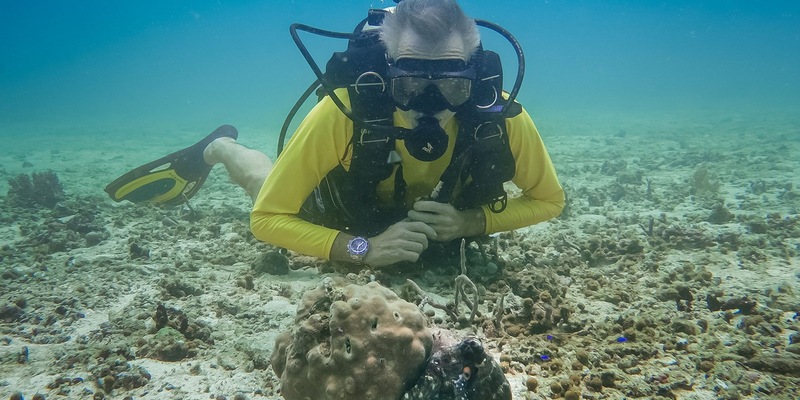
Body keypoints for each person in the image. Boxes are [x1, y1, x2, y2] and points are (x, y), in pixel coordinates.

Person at [106, 0, 564, 269]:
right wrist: (362, 248)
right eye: (410, 85)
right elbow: (267, 218)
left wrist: (469, 223)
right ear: (386, 74)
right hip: (348, 214)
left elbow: (550, 200)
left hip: (440, 230)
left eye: (450, 84)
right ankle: (220, 147)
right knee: (265, 185)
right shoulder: (343, 110)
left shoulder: (498, 113)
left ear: (475, 75)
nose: (431, 104)